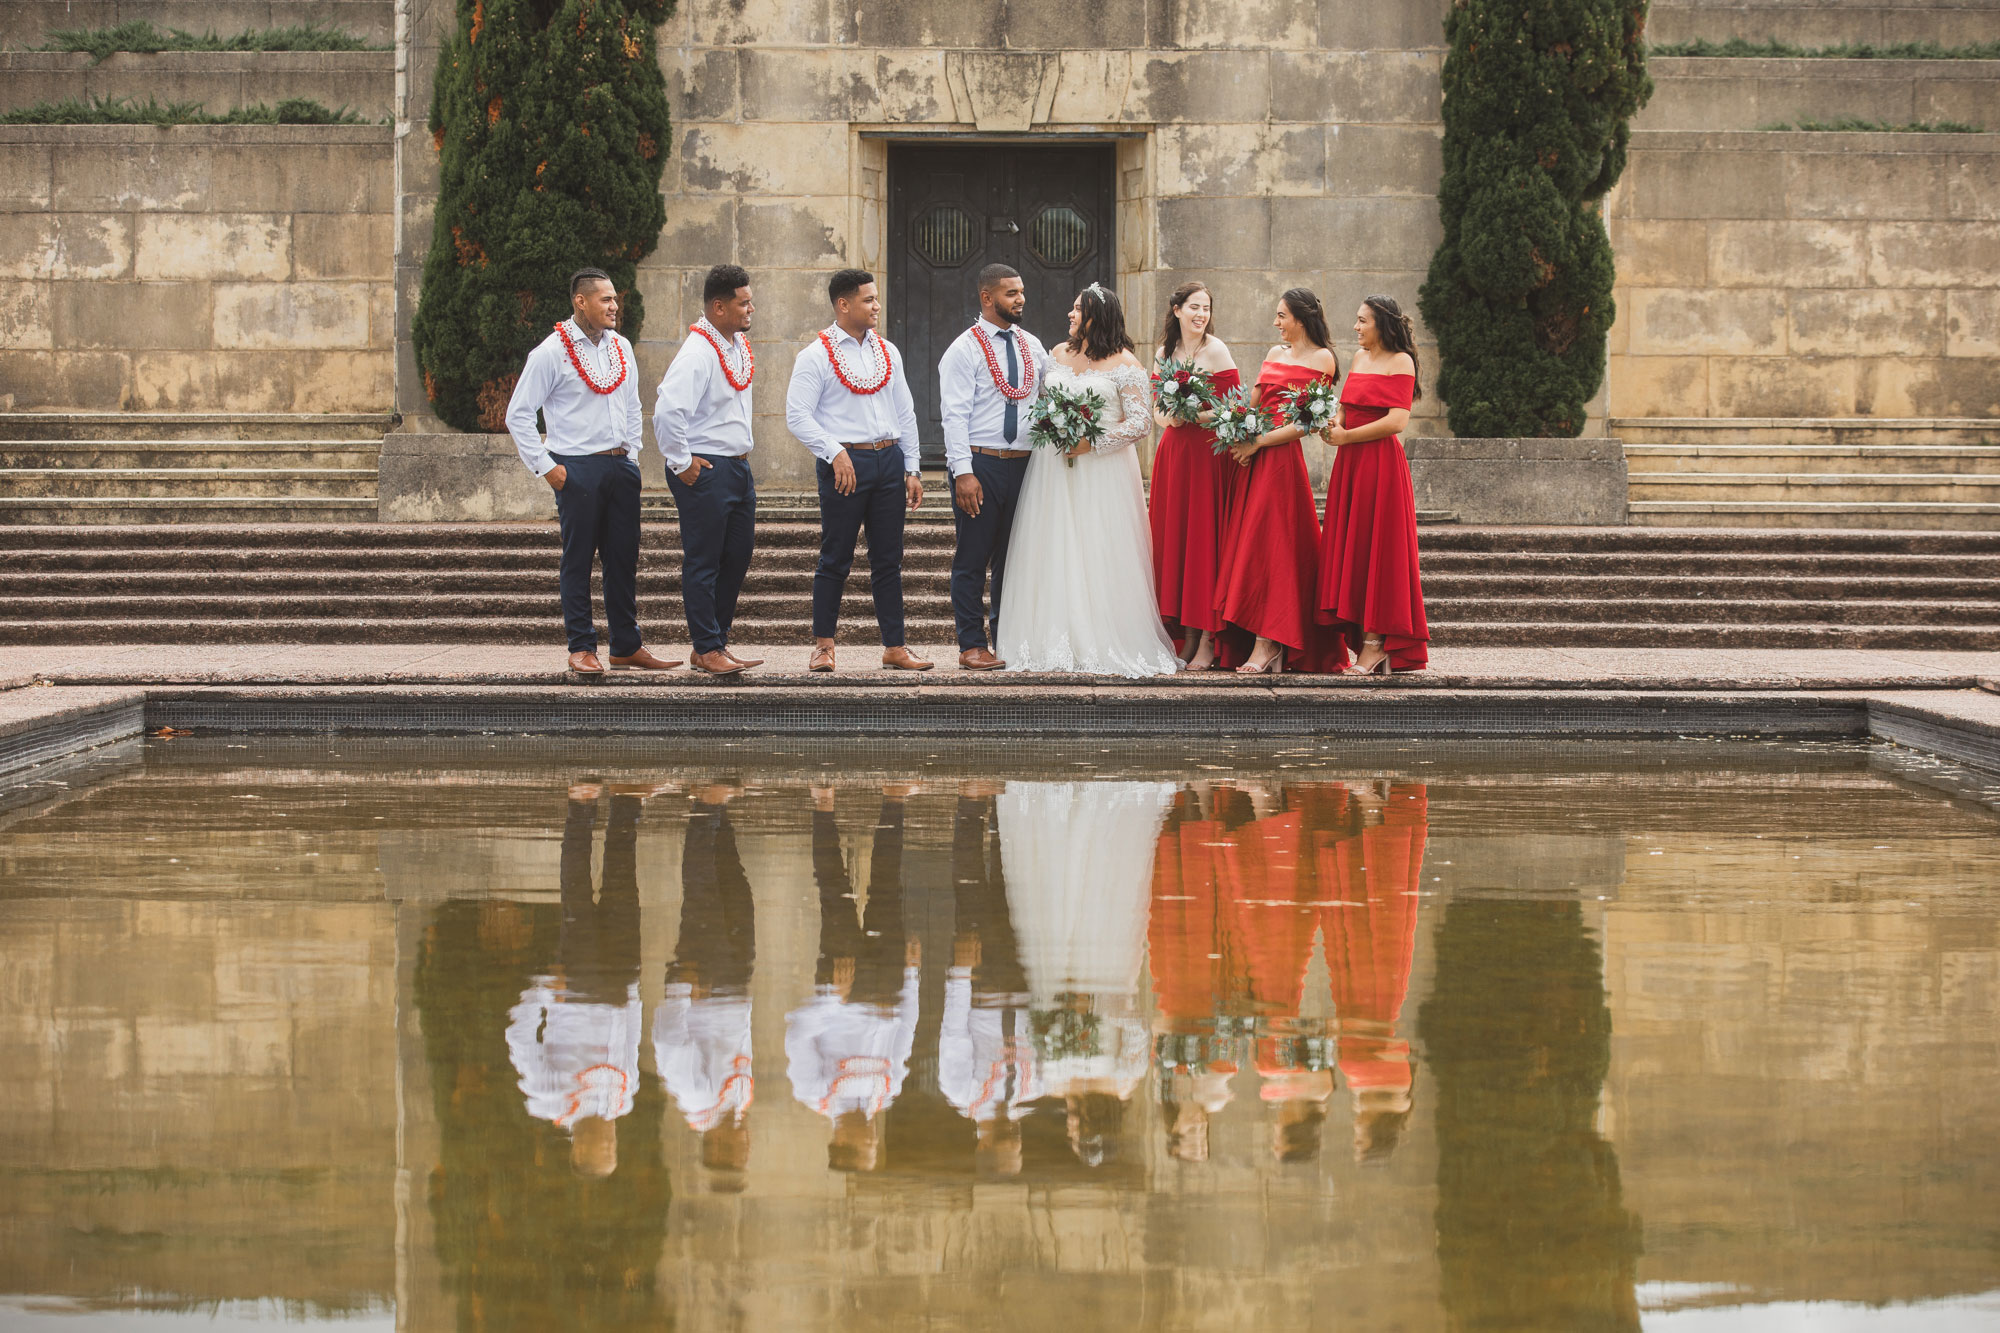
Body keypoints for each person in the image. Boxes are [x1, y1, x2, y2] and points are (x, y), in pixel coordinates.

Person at [995, 284, 1181, 677]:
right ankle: (1050, 633)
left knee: (1097, 547)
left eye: (1077, 309)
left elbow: (1141, 423)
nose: (1070, 314)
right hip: (1052, 471)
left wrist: (1091, 442)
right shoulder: (1057, 355)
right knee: (1052, 546)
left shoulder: (1125, 363)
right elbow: (1043, 405)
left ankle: (1101, 635)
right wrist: (1056, 428)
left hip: (1102, 473)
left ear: (1095, 315)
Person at [503, 268, 680, 676]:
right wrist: (549, 470)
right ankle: (581, 646)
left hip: (621, 466)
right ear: (580, 302)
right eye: (605, 299)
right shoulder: (552, 351)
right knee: (578, 559)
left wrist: (632, 456)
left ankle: (626, 645)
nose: (615, 306)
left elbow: (633, 404)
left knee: (623, 558)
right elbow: (519, 415)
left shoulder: (621, 347)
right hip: (577, 469)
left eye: (615, 299)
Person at [1000, 779, 1173, 1166]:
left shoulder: (1055, 1086)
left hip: (1054, 977)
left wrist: (1052, 1013)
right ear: (1099, 1125)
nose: (1070, 1128)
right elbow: (1135, 1027)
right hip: (1105, 971)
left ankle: (1054, 814)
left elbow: (1032, 1034)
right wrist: (1094, 1006)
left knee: (1056, 895)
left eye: (1072, 1134)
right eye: (1078, 1132)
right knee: (1100, 891)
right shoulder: (1126, 1081)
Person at [784, 269, 931, 673]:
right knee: (836, 556)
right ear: (843, 304)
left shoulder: (888, 352)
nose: (876, 306)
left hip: (889, 462)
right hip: (845, 466)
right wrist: (834, 452)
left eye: (876, 299)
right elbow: (796, 415)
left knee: (889, 558)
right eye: (868, 300)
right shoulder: (816, 355)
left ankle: (895, 647)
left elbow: (906, 411)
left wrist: (913, 467)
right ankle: (824, 646)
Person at [504, 783, 649, 1176]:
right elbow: (629, 1042)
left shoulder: (548, 1099)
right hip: (621, 980)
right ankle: (626, 804)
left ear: (580, 1148)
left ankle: (581, 805)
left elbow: (519, 1038)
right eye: (612, 1146)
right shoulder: (625, 1100)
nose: (609, 1138)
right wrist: (634, 991)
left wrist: (544, 990)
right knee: (624, 884)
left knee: (577, 890)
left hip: (576, 986)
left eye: (602, 1146)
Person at [785, 784, 921, 1173]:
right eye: (874, 1146)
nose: (874, 1138)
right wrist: (911, 976)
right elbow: (905, 1034)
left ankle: (823, 804)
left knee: (835, 892)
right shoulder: (887, 1093)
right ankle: (894, 800)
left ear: (840, 1141)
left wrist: (832, 997)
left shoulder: (813, 1092)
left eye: (866, 1146)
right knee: (887, 890)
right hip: (887, 989)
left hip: (842, 988)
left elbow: (797, 1034)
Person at [1213, 289, 1341, 674]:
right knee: (1249, 547)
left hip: (1280, 462)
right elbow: (1252, 401)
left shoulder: (1323, 358)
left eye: (1282, 315)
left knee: (1273, 549)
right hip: (1250, 460)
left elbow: (1307, 422)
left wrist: (1258, 443)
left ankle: (1269, 643)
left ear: (1301, 318)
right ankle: (1254, 638)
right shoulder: (1273, 355)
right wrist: (1235, 431)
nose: (1276, 323)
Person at [655, 264, 764, 676]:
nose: (751, 308)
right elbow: (668, 410)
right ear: (719, 307)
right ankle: (706, 645)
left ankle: (714, 643)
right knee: (704, 560)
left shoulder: (735, 346)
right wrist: (682, 463)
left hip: (737, 468)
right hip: (706, 468)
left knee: (737, 556)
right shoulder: (699, 351)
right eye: (743, 302)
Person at [939, 264, 1047, 671]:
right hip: (980, 465)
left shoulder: (1032, 345)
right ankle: (971, 644)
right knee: (972, 557)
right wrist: (962, 472)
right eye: (1010, 293)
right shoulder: (963, 349)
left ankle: (1007, 638)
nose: (1020, 299)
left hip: (1025, 467)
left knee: (1014, 559)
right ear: (987, 298)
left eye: (1021, 292)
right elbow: (953, 415)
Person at [1317, 296, 1432, 675]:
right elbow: (1346, 407)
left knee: (1378, 553)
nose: (1356, 327)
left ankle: (1375, 644)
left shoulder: (1402, 361)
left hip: (1380, 466)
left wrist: (1348, 438)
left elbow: (1397, 420)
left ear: (1381, 323)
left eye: (1362, 321)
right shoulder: (1358, 359)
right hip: (1350, 467)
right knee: (1355, 550)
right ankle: (1361, 638)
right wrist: (1333, 423)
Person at [652, 780, 756, 1192]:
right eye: (746, 1149)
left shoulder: (697, 1100)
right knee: (736, 890)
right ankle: (717, 809)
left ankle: (705, 807)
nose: (747, 1142)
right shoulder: (737, 1103)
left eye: (738, 1150)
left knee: (702, 892)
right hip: (733, 982)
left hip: (704, 984)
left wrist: (680, 988)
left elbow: (669, 1044)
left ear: (717, 1147)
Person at [938, 782, 1041, 1179]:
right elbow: (1040, 1039)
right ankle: (1003, 806)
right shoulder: (1031, 1095)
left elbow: (954, 1033)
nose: (1012, 1139)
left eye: (1003, 1144)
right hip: (1022, 978)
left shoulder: (960, 1092)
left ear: (982, 1143)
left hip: (982, 985)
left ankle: (971, 802)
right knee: (1012, 882)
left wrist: (960, 972)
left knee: (970, 884)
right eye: (1016, 1145)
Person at [1148, 282, 1238, 672]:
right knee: (1176, 541)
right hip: (1174, 454)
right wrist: (1169, 417)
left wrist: (1193, 416)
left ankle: (1206, 640)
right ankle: (1182, 634)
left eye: (1206, 307)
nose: (1201, 314)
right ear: (1177, 309)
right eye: (1194, 307)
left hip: (1207, 455)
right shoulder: (1163, 353)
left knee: (1202, 543)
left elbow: (1234, 404)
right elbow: (1154, 406)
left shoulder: (1216, 350)